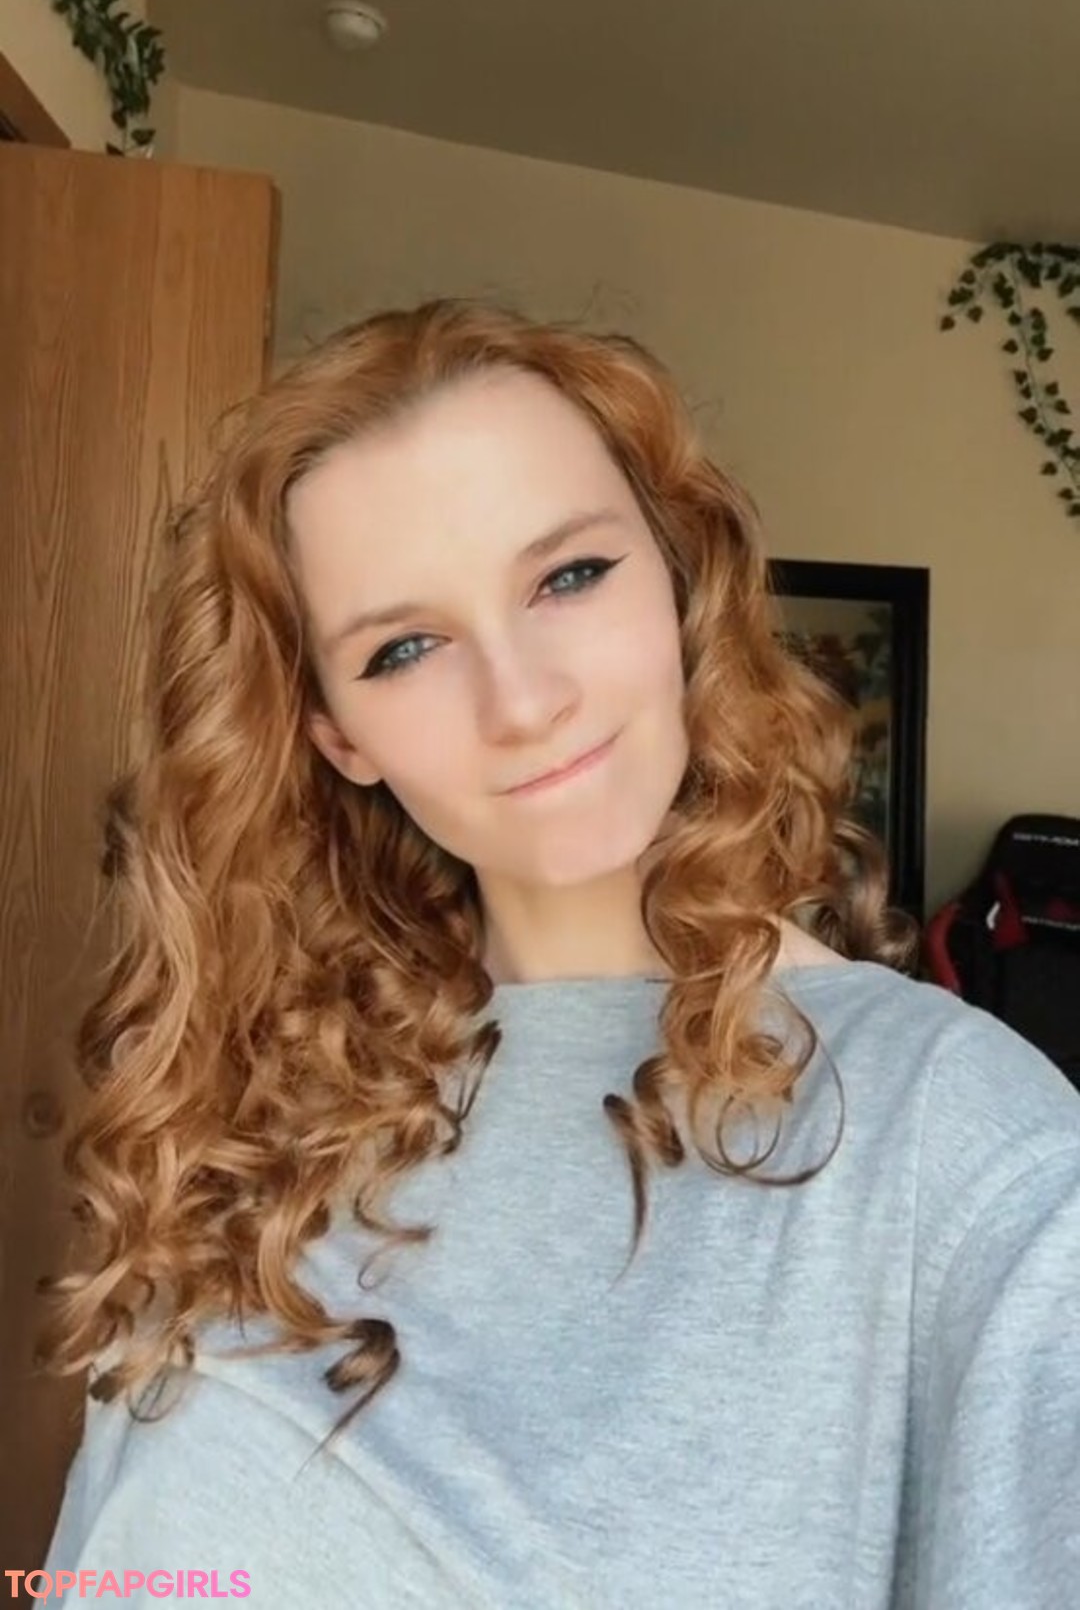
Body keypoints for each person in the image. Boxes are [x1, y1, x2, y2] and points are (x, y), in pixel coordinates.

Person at [39, 298, 1079, 1608]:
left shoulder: (962, 1148)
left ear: (679, 580)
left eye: (570, 576)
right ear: (338, 734)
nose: (524, 701)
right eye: (404, 648)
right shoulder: (249, 1125)